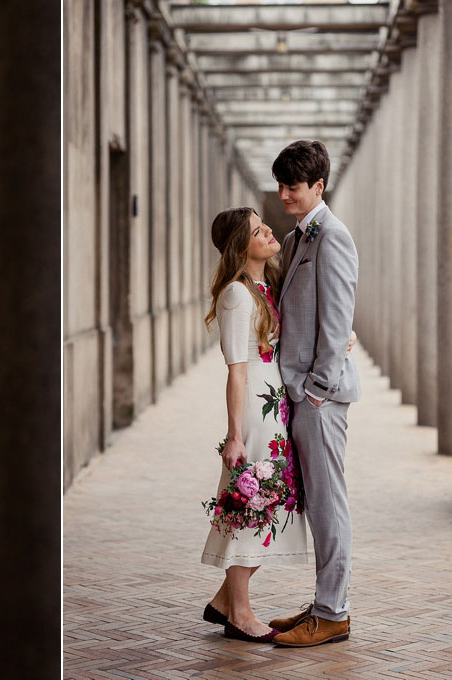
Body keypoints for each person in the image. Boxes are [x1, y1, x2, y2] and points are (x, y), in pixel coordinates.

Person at [200, 207, 311, 643]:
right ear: (239, 245)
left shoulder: (267, 286)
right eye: (256, 231)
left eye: (264, 225)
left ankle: (224, 602)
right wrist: (235, 435)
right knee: (254, 507)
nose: (268, 232)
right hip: (255, 414)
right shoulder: (237, 294)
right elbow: (237, 370)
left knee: (269, 505)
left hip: (275, 407)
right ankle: (240, 614)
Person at [268, 140, 361, 648]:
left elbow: (338, 315)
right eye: (280, 186)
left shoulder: (333, 236)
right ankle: (326, 601)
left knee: (328, 504)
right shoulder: (300, 236)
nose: (284, 195)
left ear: (318, 187)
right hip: (304, 393)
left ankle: (333, 612)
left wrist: (317, 390)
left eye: (293, 187)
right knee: (319, 503)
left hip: (318, 397)